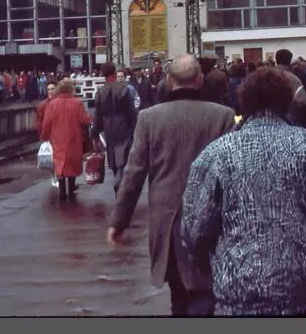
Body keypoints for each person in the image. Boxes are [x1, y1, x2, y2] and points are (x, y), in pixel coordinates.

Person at [180, 67, 306, 316]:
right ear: (287, 101)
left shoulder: (217, 153)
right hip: (301, 291)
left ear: (245, 101)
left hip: (237, 292)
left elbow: (194, 226)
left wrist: (210, 262)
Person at [108, 55, 235, 317]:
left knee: (178, 291)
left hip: (168, 219)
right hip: (212, 219)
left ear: (168, 81)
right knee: (205, 289)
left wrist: (119, 221)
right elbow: (233, 172)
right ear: (200, 80)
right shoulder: (223, 116)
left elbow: (134, 174)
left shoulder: (149, 119)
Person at [39, 78, 92, 202]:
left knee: (59, 163)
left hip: (57, 138)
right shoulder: (77, 103)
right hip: (74, 138)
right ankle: (71, 188)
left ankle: (62, 191)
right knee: (72, 163)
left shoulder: (52, 104)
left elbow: (46, 123)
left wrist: (44, 137)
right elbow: (85, 120)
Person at [92, 63, 138, 193]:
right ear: (114, 73)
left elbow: (98, 116)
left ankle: (117, 180)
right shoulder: (124, 89)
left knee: (112, 154)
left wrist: (95, 134)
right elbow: (131, 112)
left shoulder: (100, 92)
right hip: (123, 125)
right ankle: (120, 179)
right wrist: (135, 128)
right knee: (124, 155)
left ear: (103, 74)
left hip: (109, 127)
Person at [273, 48, 306, 130]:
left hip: (272, 117)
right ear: (290, 60)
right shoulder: (297, 76)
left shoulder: (265, 76)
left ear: (276, 59)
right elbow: (305, 99)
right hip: (295, 118)